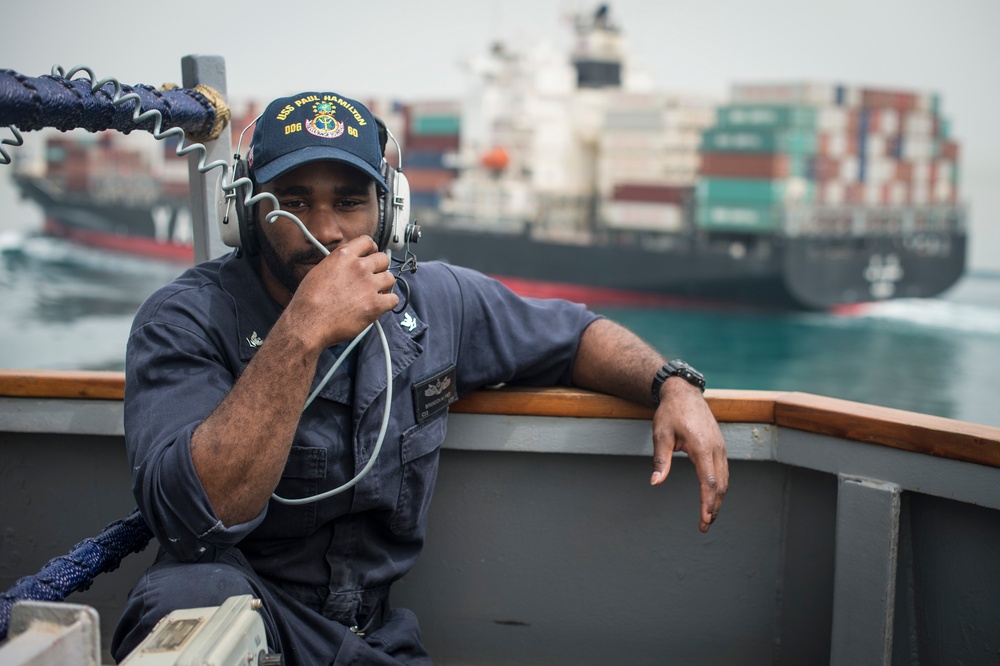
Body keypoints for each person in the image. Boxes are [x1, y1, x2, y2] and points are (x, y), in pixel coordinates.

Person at [111, 90, 728, 665]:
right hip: (249, 619)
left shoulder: (437, 302)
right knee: (185, 592)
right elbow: (197, 519)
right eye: (292, 201)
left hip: (376, 639)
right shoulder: (185, 319)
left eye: (349, 201)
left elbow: (574, 336)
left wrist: (672, 382)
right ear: (242, 211)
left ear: (390, 211)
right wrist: (301, 333)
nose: (324, 231)